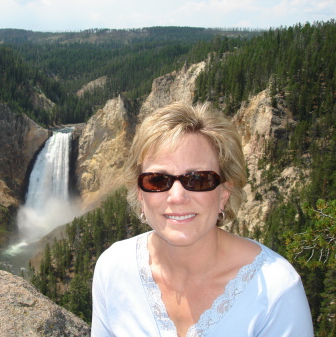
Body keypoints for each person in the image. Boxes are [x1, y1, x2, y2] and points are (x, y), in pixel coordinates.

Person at [91, 102, 314, 336]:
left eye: (198, 180)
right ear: (140, 193)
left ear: (224, 194)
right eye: (157, 180)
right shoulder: (113, 269)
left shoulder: (277, 291)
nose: (177, 197)